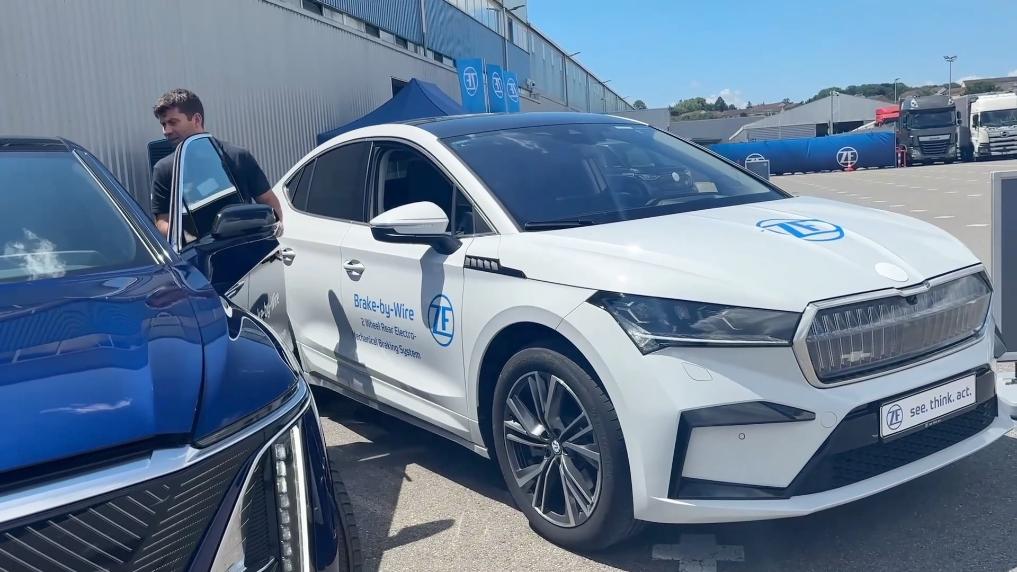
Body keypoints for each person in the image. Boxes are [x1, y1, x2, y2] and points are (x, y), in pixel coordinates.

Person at [150, 88, 282, 238]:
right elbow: (162, 221)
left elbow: (268, 200)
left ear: (196, 120)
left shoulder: (237, 157)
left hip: (246, 245)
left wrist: (276, 226)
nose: (166, 131)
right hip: (198, 251)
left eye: (173, 122)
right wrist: (187, 238)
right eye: (163, 124)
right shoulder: (164, 169)